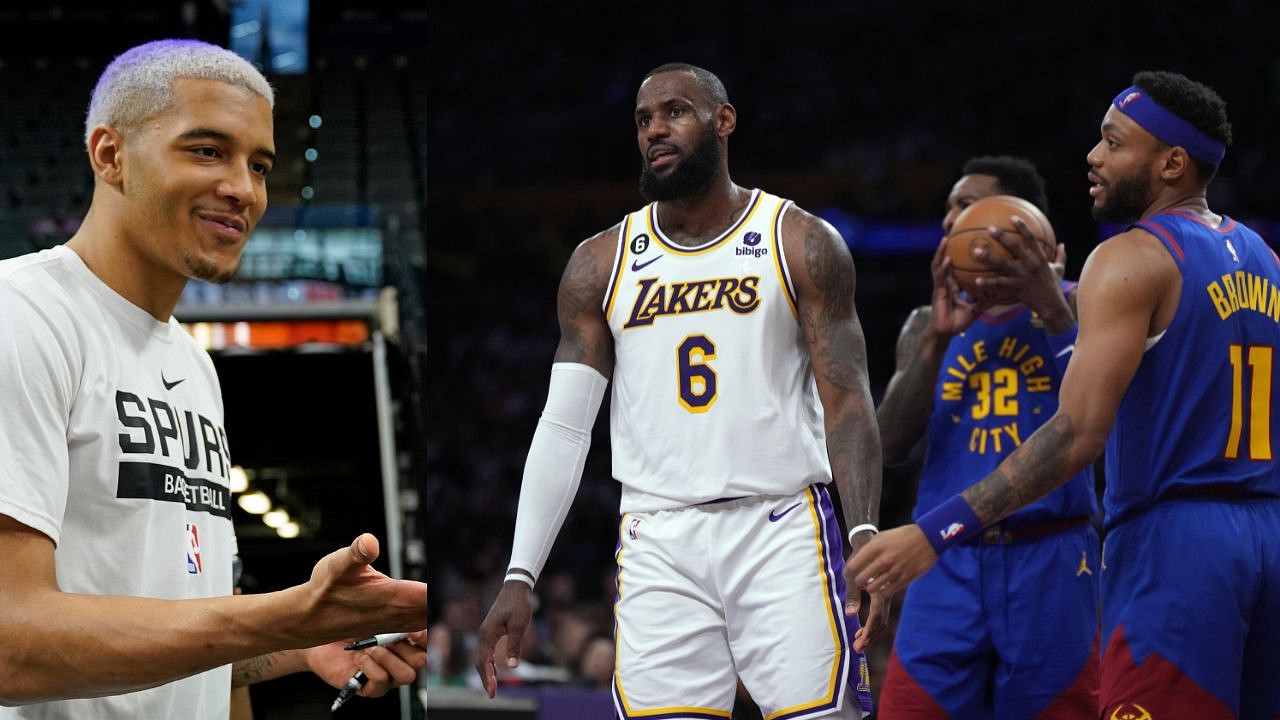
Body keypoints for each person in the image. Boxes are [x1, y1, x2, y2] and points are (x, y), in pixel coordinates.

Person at [0, 40, 427, 718]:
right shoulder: (21, 316)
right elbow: (9, 644)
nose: (244, 189)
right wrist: (280, 616)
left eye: (259, 163)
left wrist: (305, 642)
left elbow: (204, 637)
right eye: (207, 150)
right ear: (110, 155)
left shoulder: (194, 366)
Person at [852, 71, 1280, 719]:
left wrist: (933, 532)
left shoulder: (1129, 256)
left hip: (1176, 546)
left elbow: (1078, 432)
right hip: (1266, 532)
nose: (1093, 156)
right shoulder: (1262, 257)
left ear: (1171, 163)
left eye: (1113, 143)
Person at [474, 63, 883, 719]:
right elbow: (564, 427)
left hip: (780, 524)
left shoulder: (799, 240)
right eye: (643, 120)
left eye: (674, 112)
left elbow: (849, 400)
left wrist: (864, 530)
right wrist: (521, 574)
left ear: (724, 120)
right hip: (658, 536)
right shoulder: (600, 262)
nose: (655, 130)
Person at [874, 156, 1099, 717]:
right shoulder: (926, 322)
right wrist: (933, 344)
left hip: (1053, 556)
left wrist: (1050, 310)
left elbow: (1105, 419)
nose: (950, 220)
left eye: (968, 206)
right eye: (949, 208)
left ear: (1020, 219)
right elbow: (888, 445)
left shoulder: (1081, 304)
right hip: (945, 561)